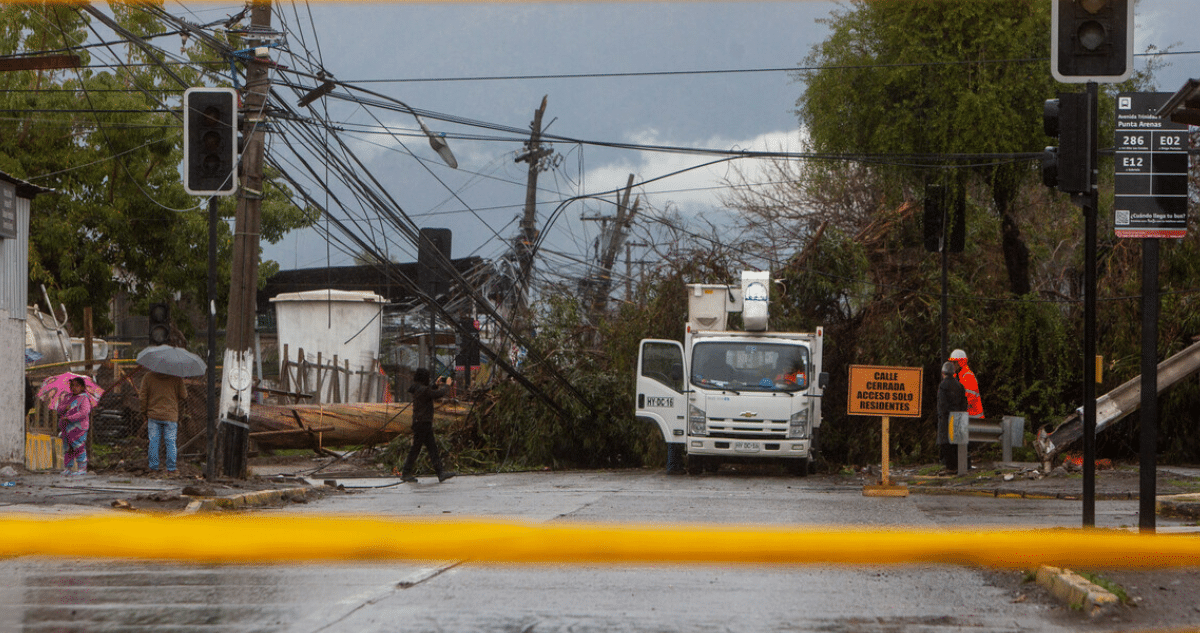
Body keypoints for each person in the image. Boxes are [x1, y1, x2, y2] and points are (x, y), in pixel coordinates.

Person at [400, 368, 456, 483]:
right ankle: (406, 473)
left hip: (421, 423)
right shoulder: (423, 390)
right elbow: (437, 394)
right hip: (422, 423)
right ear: (424, 378)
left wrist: (435, 385)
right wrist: (447, 385)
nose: (429, 379)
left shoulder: (417, 388)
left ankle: (440, 473)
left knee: (431, 449)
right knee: (418, 449)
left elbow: (429, 393)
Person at [139, 370, 187, 476]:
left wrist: (144, 412)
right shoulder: (176, 377)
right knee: (170, 441)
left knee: (153, 441)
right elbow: (184, 395)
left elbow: (142, 397)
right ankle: (171, 468)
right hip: (171, 416)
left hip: (153, 415)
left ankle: (153, 468)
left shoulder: (148, 376)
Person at [936, 361, 968, 472]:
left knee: (945, 443)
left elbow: (942, 405)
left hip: (946, 419)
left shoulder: (943, 385)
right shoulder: (959, 386)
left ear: (943, 373)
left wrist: (942, 415)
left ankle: (950, 467)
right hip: (958, 418)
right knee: (956, 443)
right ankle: (957, 466)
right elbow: (964, 403)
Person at [57, 377, 93, 476]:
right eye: (72, 385)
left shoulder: (84, 398)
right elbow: (59, 409)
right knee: (68, 447)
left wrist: (70, 418)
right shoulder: (67, 397)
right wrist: (65, 407)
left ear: (82, 387)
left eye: (77, 385)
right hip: (67, 427)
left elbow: (84, 412)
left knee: (78, 445)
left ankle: (82, 468)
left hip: (79, 427)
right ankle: (68, 467)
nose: (74, 388)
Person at [949, 349, 984, 420]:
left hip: (973, 419)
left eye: (954, 362)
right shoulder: (956, 376)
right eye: (951, 362)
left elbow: (969, 398)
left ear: (960, 363)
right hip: (964, 417)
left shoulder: (968, 376)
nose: (952, 365)